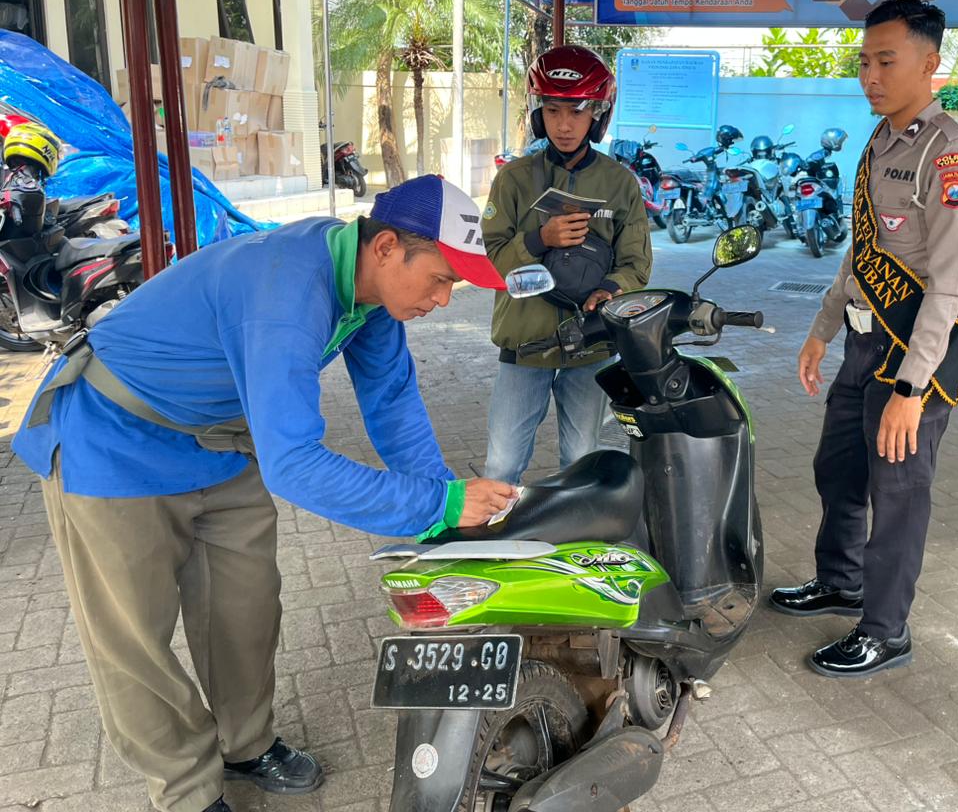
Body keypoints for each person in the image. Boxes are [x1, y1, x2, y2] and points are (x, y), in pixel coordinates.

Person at [12, 175, 518, 812]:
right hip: (114, 443)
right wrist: (434, 507)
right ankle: (188, 790)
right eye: (443, 279)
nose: (446, 300)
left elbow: (392, 405)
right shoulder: (287, 290)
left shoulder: (369, 297)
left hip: (218, 445)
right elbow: (295, 466)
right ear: (387, 247)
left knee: (245, 609)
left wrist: (446, 510)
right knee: (134, 640)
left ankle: (247, 746)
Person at [770, 0, 958, 678]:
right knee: (837, 471)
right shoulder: (878, 139)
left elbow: (948, 289)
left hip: (909, 358)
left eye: (885, 61)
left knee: (897, 498)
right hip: (859, 346)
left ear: (930, 64)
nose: (870, 74)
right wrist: (821, 330)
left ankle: (886, 630)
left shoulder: (952, 154)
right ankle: (841, 581)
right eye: (864, 60)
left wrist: (910, 391)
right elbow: (861, 252)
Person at [481, 45, 652, 484]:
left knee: (580, 462)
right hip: (524, 344)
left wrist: (610, 290)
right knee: (503, 465)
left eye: (576, 112)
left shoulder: (620, 184)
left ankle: (572, 545)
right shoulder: (513, 179)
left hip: (590, 346)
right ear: (538, 115)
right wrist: (541, 239)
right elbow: (494, 258)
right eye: (553, 110)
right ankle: (498, 545)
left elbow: (636, 262)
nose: (564, 125)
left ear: (597, 115)